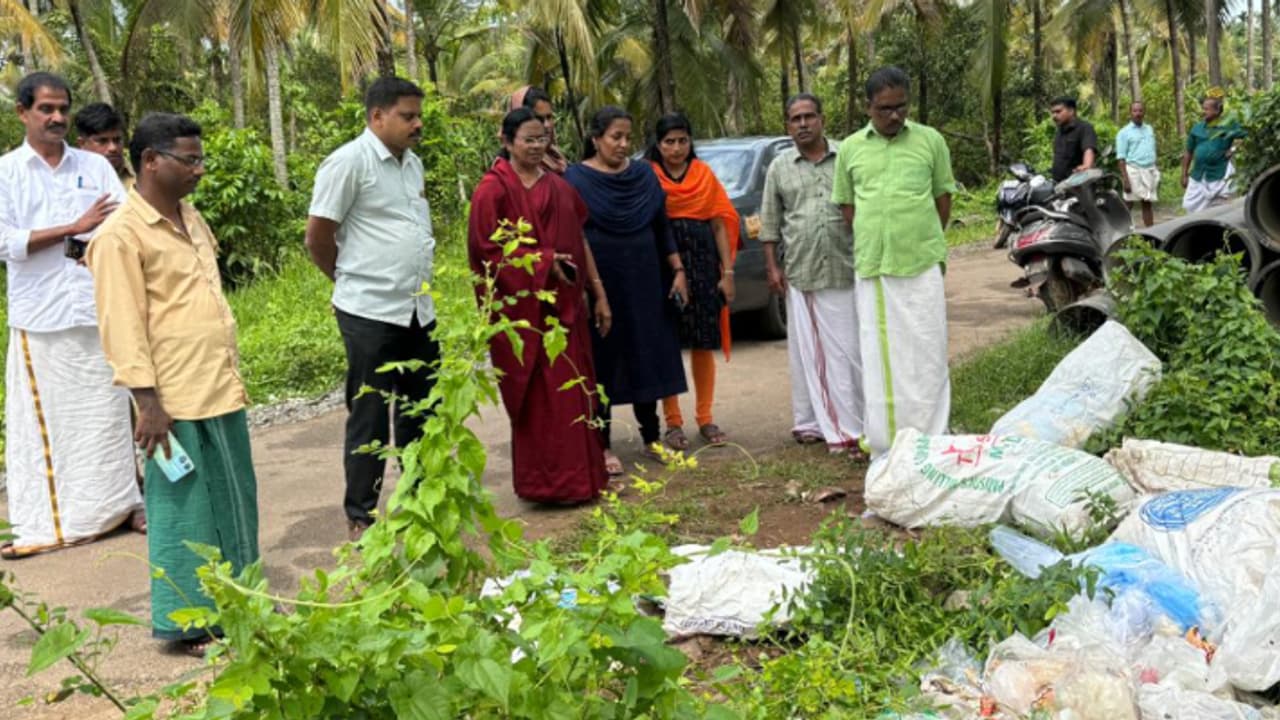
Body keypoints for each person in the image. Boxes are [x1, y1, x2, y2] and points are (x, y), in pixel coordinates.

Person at [87, 112, 259, 656]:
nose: (200, 170)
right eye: (189, 159)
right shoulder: (119, 237)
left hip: (218, 385)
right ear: (151, 161)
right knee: (186, 509)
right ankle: (193, 622)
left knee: (234, 498)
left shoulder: (190, 216)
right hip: (173, 398)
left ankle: (242, 599)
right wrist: (147, 403)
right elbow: (122, 323)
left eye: (200, 158)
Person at [0, 72, 140, 559]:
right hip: (42, 318)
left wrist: (87, 240)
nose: (56, 117)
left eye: (62, 108)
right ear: (22, 112)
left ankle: (120, 506)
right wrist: (73, 229)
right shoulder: (7, 173)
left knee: (106, 418)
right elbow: (6, 243)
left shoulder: (95, 168)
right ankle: (52, 520)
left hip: (96, 307)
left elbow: (119, 226)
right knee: (50, 426)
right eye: (45, 109)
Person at [305, 77, 440, 541]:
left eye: (419, 115)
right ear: (377, 116)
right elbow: (318, 237)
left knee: (421, 410)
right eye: (408, 116)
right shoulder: (348, 163)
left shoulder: (413, 165)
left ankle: (420, 497)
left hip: (418, 310)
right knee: (369, 413)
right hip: (369, 312)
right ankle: (361, 514)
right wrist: (348, 284)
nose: (417, 124)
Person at [468, 108, 612, 503]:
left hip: (567, 312)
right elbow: (485, 253)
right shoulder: (491, 191)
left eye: (541, 139)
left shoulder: (561, 188)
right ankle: (543, 485)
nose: (536, 147)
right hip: (526, 317)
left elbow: (580, 242)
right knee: (539, 402)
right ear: (507, 140)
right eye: (528, 139)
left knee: (572, 393)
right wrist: (546, 262)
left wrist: (598, 293)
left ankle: (581, 482)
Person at [831, 66, 956, 458]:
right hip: (874, 266)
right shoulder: (850, 149)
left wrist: (917, 236)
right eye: (885, 109)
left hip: (921, 262)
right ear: (867, 107)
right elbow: (848, 206)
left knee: (927, 351)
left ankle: (931, 437)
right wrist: (878, 236)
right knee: (880, 354)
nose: (895, 116)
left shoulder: (930, 141)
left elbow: (942, 199)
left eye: (901, 107)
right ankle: (886, 440)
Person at [564, 107, 688, 474]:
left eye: (627, 137)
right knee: (602, 362)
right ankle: (603, 447)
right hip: (603, 283)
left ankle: (651, 438)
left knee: (646, 356)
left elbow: (662, 225)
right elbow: (575, 236)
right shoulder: (575, 179)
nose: (622, 144)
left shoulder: (643, 176)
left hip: (647, 281)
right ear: (596, 139)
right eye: (615, 137)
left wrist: (677, 269)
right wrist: (590, 290)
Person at [761, 93, 864, 456]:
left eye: (809, 117)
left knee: (849, 352)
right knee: (809, 353)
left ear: (822, 119)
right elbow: (770, 222)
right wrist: (773, 267)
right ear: (787, 126)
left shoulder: (846, 156)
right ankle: (814, 422)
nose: (802, 124)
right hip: (801, 272)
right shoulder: (779, 167)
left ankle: (851, 421)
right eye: (795, 119)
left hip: (846, 267)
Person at [645, 113, 740, 450]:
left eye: (682, 140)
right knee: (668, 343)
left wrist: (727, 274)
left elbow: (719, 223)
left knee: (702, 341)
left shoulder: (703, 175)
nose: (676, 147)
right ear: (658, 144)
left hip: (703, 267)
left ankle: (705, 417)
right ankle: (673, 423)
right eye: (669, 141)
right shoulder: (648, 176)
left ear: (690, 142)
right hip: (663, 267)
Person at [1181, 92, 1247, 213]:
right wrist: (1184, 174)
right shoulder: (1197, 128)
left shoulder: (1228, 125)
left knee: (1219, 208)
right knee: (1189, 206)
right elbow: (1188, 152)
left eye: (1206, 109)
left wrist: (1233, 149)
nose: (1203, 111)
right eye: (1203, 108)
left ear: (1217, 111)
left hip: (1219, 173)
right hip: (1198, 175)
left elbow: (1246, 135)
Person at [1115, 101, 1159, 227]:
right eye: (1135, 111)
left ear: (1144, 112)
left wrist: (1156, 169)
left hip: (1149, 170)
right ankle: (1120, 231)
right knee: (1129, 203)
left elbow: (1152, 149)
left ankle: (1151, 234)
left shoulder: (1149, 129)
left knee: (1147, 202)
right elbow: (1121, 158)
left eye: (1140, 110)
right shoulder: (1124, 133)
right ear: (1130, 113)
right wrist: (1125, 179)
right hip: (1133, 170)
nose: (1138, 113)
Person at [74, 102, 134, 190]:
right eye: (102, 141)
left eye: (117, 140)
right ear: (82, 144)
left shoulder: (141, 181)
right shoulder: (69, 182)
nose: (113, 148)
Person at [509, 86, 569, 174]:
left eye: (549, 117)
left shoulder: (555, 156)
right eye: (539, 119)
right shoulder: (511, 168)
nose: (547, 125)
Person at [1049, 96, 1097, 183]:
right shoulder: (1059, 132)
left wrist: (1086, 165)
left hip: (1076, 185)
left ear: (1071, 111)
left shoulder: (1084, 128)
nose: (1054, 116)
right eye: (1052, 113)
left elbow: (1089, 149)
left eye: (1058, 111)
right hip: (1058, 185)